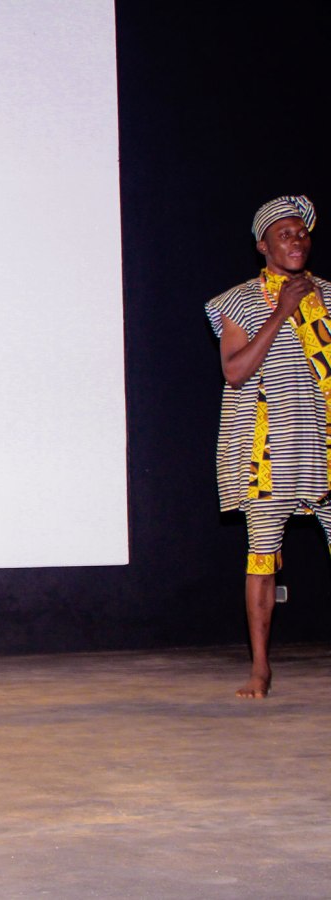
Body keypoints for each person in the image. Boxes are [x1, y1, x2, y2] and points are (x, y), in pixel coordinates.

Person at [206, 195, 329, 698]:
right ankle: (260, 668)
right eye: (284, 234)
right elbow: (234, 371)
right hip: (268, 450)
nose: (296, 240)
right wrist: (282, 311)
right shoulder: (237, 301)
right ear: (263, 245)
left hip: (323, 444)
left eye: (302, 233)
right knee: (262, 557)